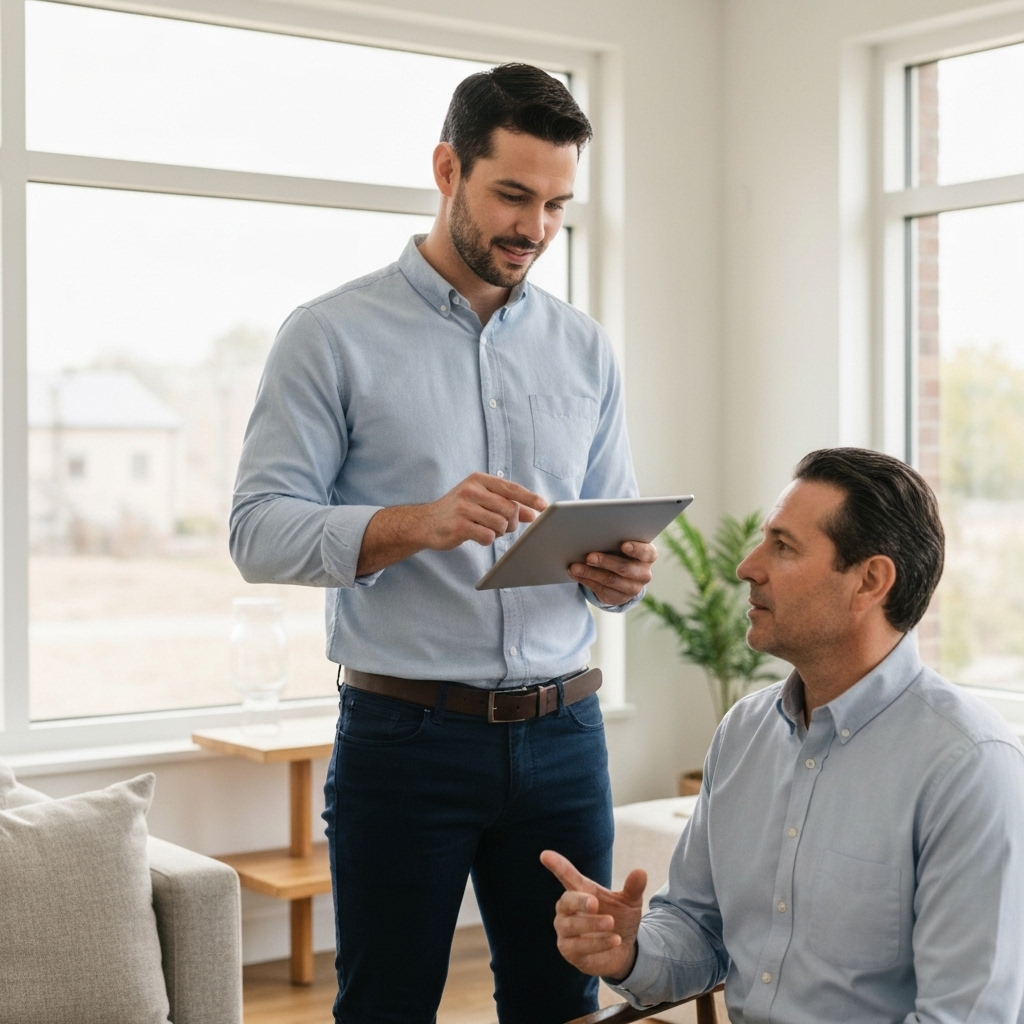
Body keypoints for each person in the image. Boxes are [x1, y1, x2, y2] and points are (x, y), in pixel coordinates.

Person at [230, 63, 657, 1024]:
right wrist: (417, 523)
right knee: (387, 1006)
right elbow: (257, 530)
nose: (535, 228)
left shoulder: (584, 347)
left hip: (565, 736)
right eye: (513, 194)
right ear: (447, 169)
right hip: (405, 742)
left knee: (563, 1004)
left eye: (556, 205)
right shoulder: (330, 336)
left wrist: (621, 572)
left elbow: (609, 527)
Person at [544, 447, 1024, 1023]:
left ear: (870, 581)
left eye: (784, 546)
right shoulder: (744, 732)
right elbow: (698, 928)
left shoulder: (969, 765)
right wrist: (630, 951)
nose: (747, 567)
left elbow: (964, 1015)